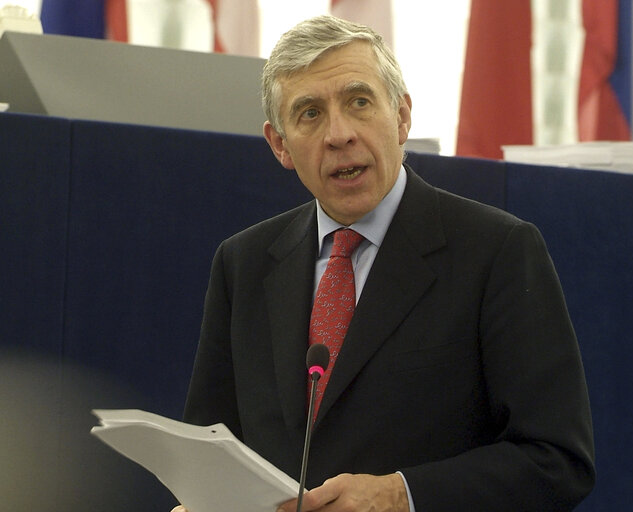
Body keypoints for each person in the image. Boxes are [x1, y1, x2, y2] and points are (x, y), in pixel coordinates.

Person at [176, 14, 594, 512]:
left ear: (401, 116)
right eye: (309, 113)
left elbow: (558, 461)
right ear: (280, 144)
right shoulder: (243, 263)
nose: (339, 134)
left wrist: (403, 495)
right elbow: (211, 445)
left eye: (359, 101)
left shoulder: (497, 251)